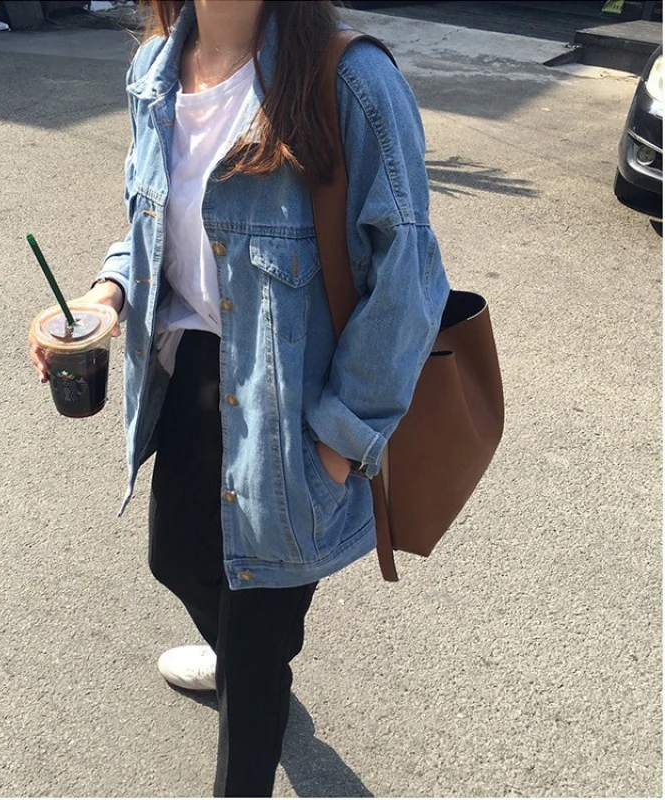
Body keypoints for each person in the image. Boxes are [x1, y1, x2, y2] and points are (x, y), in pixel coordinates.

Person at [29, 0, 449, 795]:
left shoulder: (351, 81)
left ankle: (252, 671)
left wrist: (335, 444)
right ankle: (241, 655)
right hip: (190, 377)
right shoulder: (155, 72)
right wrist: (108, 292)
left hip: (291, 407)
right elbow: (151, 219)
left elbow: (408, 284)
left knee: (257, 667)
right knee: (175, 559)